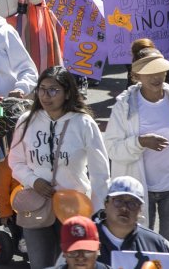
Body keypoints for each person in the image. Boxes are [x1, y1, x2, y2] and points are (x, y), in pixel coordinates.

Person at [8, 66, 110, 269]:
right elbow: (15, 161)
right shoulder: (26, 121)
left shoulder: (84, 123)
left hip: (75, 209)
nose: (46, 95)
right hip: (36, 206)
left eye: (53, 90)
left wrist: (97, 213)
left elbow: (100, 173)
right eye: (42, 89)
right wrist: (33, 181)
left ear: (68, 93)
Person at [103, 49, 169, 246]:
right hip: (138, 190)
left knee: (168, 247)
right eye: (149, 72)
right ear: (136, 76)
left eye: (160, 70)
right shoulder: (124, 106)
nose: (156, 77)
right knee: (138, 246)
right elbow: (112, 148)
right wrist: (140, 142)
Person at [94, 176, 169, 263]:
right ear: (106, 203)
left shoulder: (156, 244)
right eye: (118, 201)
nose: (124, 208)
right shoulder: (87, 236)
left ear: (140, 210)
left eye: (132, 204)